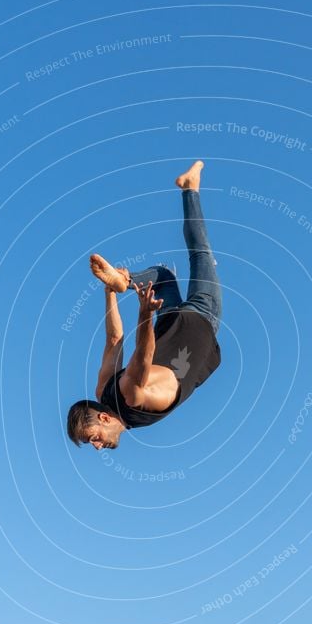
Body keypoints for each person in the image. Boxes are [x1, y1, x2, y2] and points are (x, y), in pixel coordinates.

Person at [67, 160, 222, 451]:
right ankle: (123, 280)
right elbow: (115, 339)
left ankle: (191, 188)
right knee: (162, 276)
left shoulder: (130, 396)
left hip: (201, 319)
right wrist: (109, 294)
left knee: (201, 253)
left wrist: (144, 313)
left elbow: (144, 354)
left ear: (103, 418)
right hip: (171, 319)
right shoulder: (103, 389)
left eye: (94, 438)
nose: (98, 446)